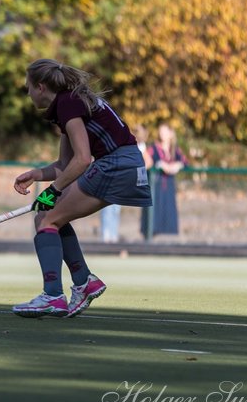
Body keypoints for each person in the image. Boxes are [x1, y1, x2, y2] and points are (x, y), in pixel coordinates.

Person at [10, 59, 150, 318]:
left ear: (41, 87)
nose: (27, 93)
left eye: (28, 87)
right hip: (126, 164)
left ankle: (52, 295)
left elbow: (83, 159)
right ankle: (84, 282)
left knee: (47, 217)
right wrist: (38, 174)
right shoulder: (68, 104)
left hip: (117, 164)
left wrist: (53, 190)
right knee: (47, 216)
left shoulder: (68, 104)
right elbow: (66, 164)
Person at [146, 123, 186, 237]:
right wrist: (160, 165)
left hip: (169, 187)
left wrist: (177, 165)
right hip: (156, 187)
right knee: (155, 213)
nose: (162, 134)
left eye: (164, 131)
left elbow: (184, 162)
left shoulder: (174, 150)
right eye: (160, 131)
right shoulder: (153, 148)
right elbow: (146, 162)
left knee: (169, 212)